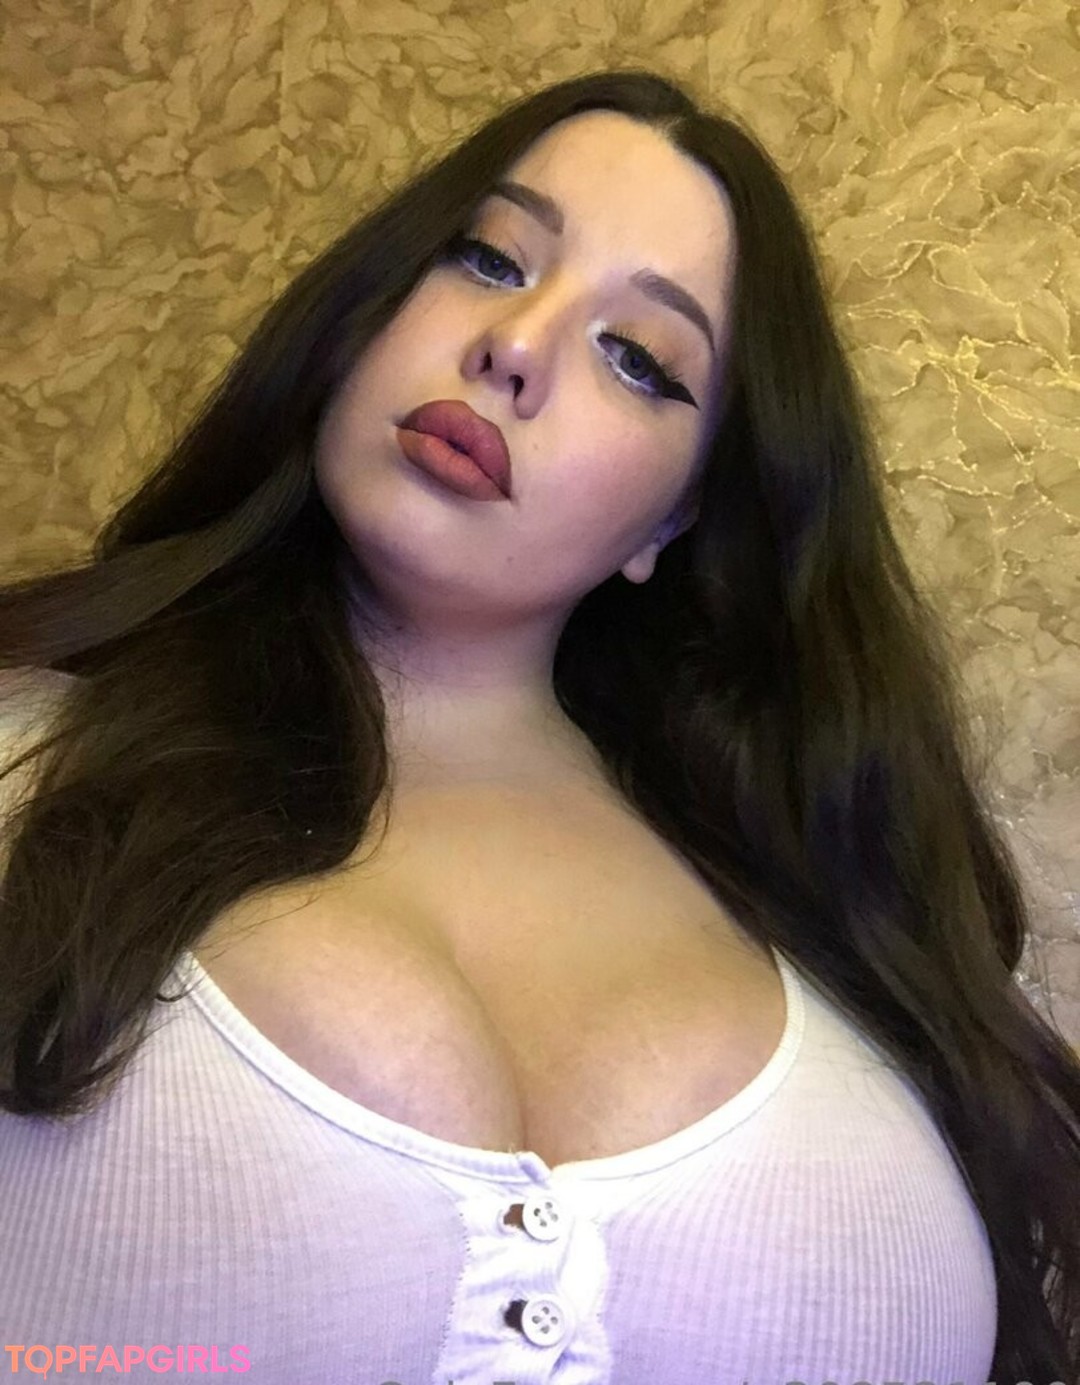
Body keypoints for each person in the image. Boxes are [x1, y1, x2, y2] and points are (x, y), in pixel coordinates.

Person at [0, 69, 1077, 1385]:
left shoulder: (832, 904)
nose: (515, 345)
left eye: (640, 359)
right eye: (488, 257)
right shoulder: (32, 751)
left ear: (673, 521)